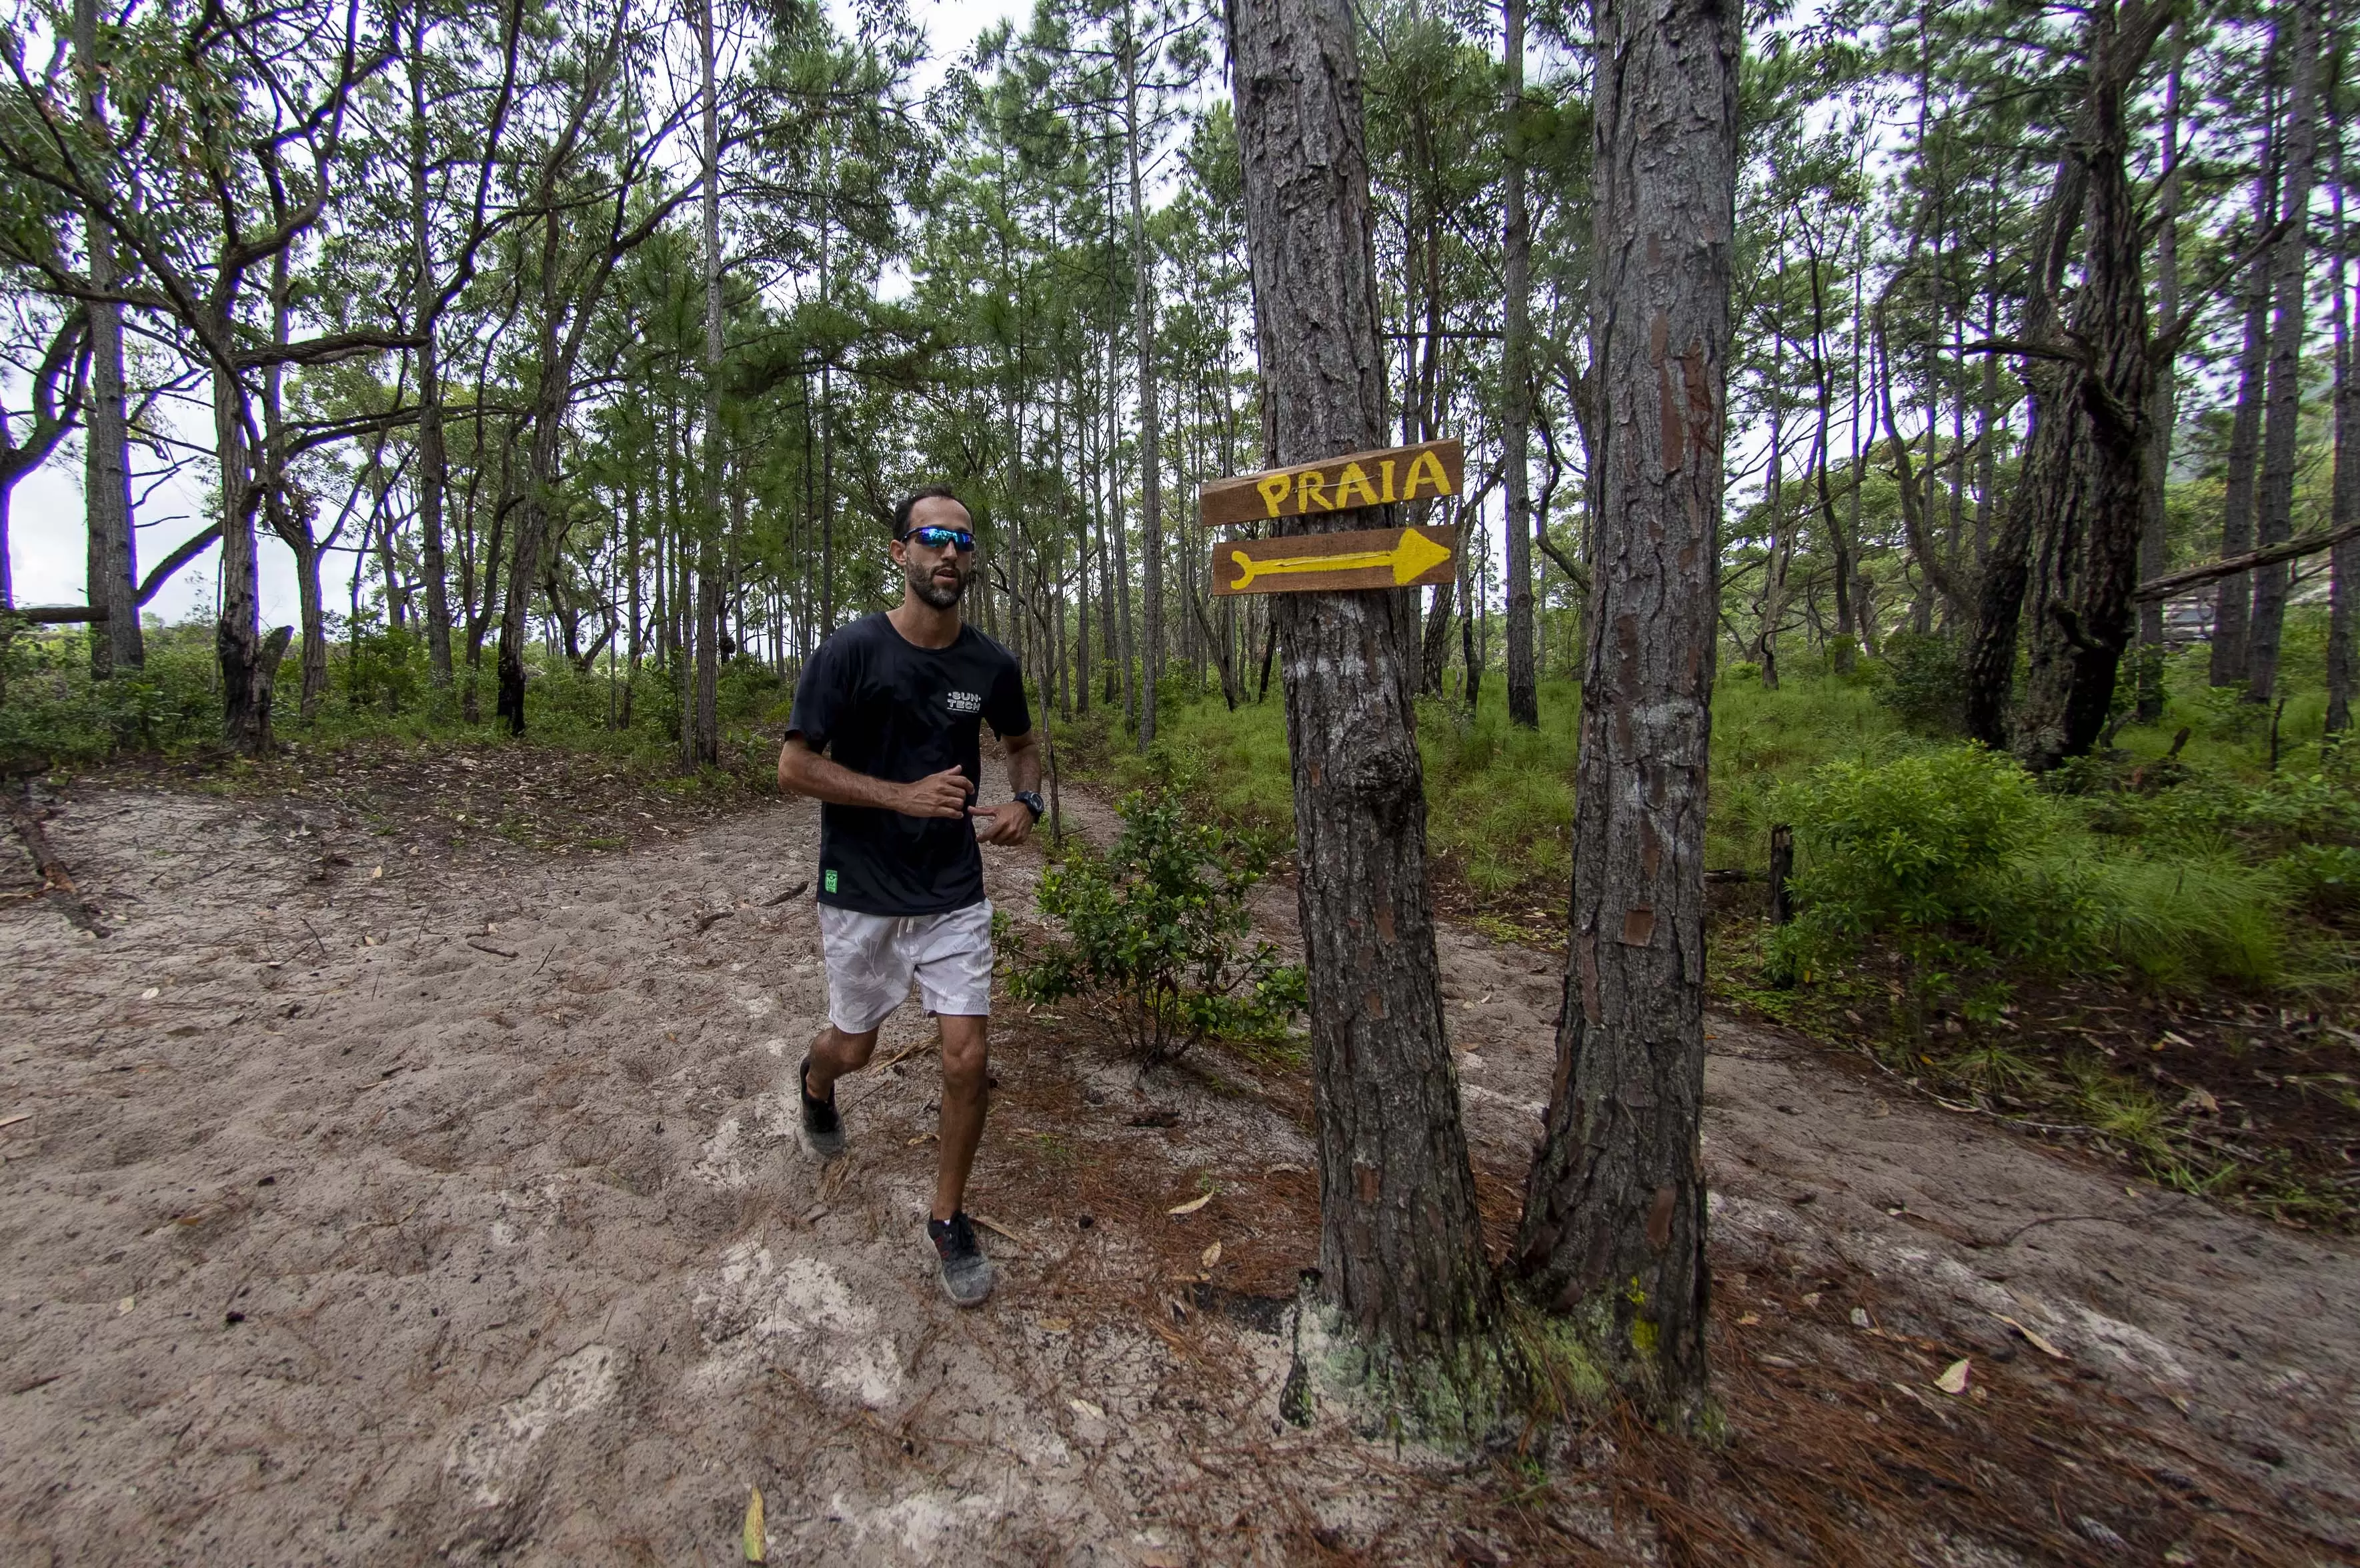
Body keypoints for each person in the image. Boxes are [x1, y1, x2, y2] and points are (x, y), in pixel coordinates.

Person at [776, 486, 1043, 1307]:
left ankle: (945, 1217)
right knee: (852, 1048)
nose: (949, 554)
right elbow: (793, 767)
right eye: (932, 538)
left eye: (962, 542)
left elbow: (1023, 745)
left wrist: (1024, 804)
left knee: (967, 1058)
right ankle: (815, 1085)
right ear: (900, 553)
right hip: (859, 891)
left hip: (952, 890)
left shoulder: (989, 665)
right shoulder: (850, 653)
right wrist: (900, 796)